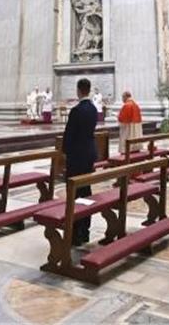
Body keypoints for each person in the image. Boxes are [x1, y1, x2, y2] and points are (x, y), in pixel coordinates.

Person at [62, 78, 98, 245]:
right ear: (89, 90)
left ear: (79, 90)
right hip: (89, 155)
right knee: (86, 192)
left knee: (75, 195)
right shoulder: (93, 109)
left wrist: (64, 152)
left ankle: (75, 233)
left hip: (76, 157)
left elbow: (69, 135)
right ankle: (85, 231)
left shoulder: (76, 110)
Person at [117, 90, 142, 154]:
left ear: (125, 97)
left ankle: (126, 151)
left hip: (128, 128)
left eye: (122, 97)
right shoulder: (136, 105)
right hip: (135, 126)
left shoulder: (126, 105)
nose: (122, 99)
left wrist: (118, 116)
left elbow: (122, 119)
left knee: (127, 139)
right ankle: (135, 149)